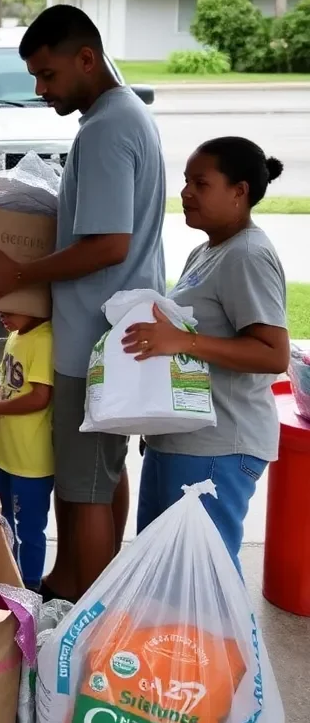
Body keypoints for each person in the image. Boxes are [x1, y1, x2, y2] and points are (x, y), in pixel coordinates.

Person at [0, 5, 166, 603]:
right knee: (102, 472)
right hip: (112, 333)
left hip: (91, 342)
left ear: (86, 59)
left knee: (83, 490)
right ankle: (80, 580)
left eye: (47, 75)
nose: (40, 90)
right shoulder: (126, 115)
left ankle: (80, 607)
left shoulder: (105, 128)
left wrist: (20, 270)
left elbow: (107, 244)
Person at [123, 137, 289, 569]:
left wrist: (183, 341)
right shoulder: (208, 250)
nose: (186, 193)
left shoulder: (248, 255)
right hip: (181, 439)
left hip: (218, 448)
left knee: (203, 581)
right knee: (163, 576)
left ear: (240, 191)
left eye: (201, 182)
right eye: (185, 181)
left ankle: (230, 642)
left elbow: (273, 354)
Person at [0, 312, 55, 591]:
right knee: (3, 524)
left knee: (29, 532)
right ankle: (7, 582)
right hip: (6, 455)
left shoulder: (44, 339)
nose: (0, 314)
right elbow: (8, 382)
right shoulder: (15, 335)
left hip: (31, 461)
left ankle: (30, 588)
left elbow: (39, 397)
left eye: (9, 308)